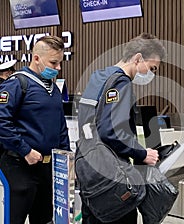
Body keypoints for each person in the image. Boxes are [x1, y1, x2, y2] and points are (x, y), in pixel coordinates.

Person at [78, 33, 166, 224]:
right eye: (152, 68)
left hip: (89, 173)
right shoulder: (121, 83)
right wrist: (141, 153)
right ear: (138, 58)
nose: (151, 74)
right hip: (112, 178)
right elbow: (112, 131)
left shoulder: (98, 77)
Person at [0, 36, 70, 224]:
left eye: (59, 63)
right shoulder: (17, 84)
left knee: (45, 219)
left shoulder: (53, 89)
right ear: (36, 58)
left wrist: (66, 155)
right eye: (53, 63)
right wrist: (25, 150)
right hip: (20, 166)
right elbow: (2, 122)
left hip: (47, 171)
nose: (58, 68)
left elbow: (60, 125)